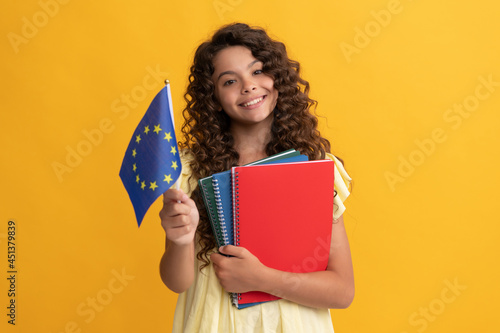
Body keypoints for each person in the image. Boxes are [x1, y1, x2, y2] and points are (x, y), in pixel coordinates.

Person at [159, 22, 354, 332]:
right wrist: (179, 240)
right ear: (214, 98)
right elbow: (177, 282)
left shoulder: (314, 167)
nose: (248, 86)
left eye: (258, 71)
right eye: (229, 81)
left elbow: (342, 290)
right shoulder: (188, 169)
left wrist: (260, 279)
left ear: (278, 79)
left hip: (292, 323)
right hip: (215, 322)